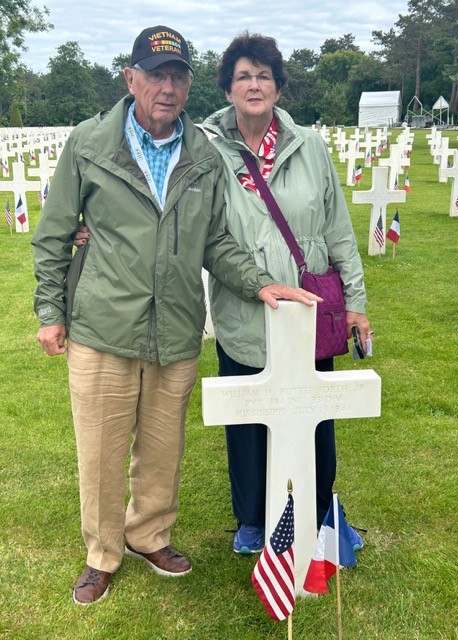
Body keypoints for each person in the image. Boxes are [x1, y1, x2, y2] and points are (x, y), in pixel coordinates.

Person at [32, 25, 320, 606]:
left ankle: (149, 534)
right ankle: (102, 554)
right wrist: (49, 310)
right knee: (102, 450)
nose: (167, 86)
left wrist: (263, 283)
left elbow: (216, 239)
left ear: (189, 84)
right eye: (156, 73)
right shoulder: (89, 143)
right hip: (103, 328)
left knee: (163, 449)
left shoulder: (204, 153)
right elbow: (55, 234)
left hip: (177, 327)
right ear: (130, 77)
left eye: (178, 75)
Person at [201, 33, 372, 554]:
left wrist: (357, 303)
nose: (254, 85)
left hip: (309, 310)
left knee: (313, 414)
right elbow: (201, 231)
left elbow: (339, 229)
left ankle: (320, 512)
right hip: (245, 308)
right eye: (244, 76)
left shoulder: (311, 147)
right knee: (251, 418)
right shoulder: (206, 150)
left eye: (265, 76)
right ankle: (253, 518)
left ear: (278, 86)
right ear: (228, 88)